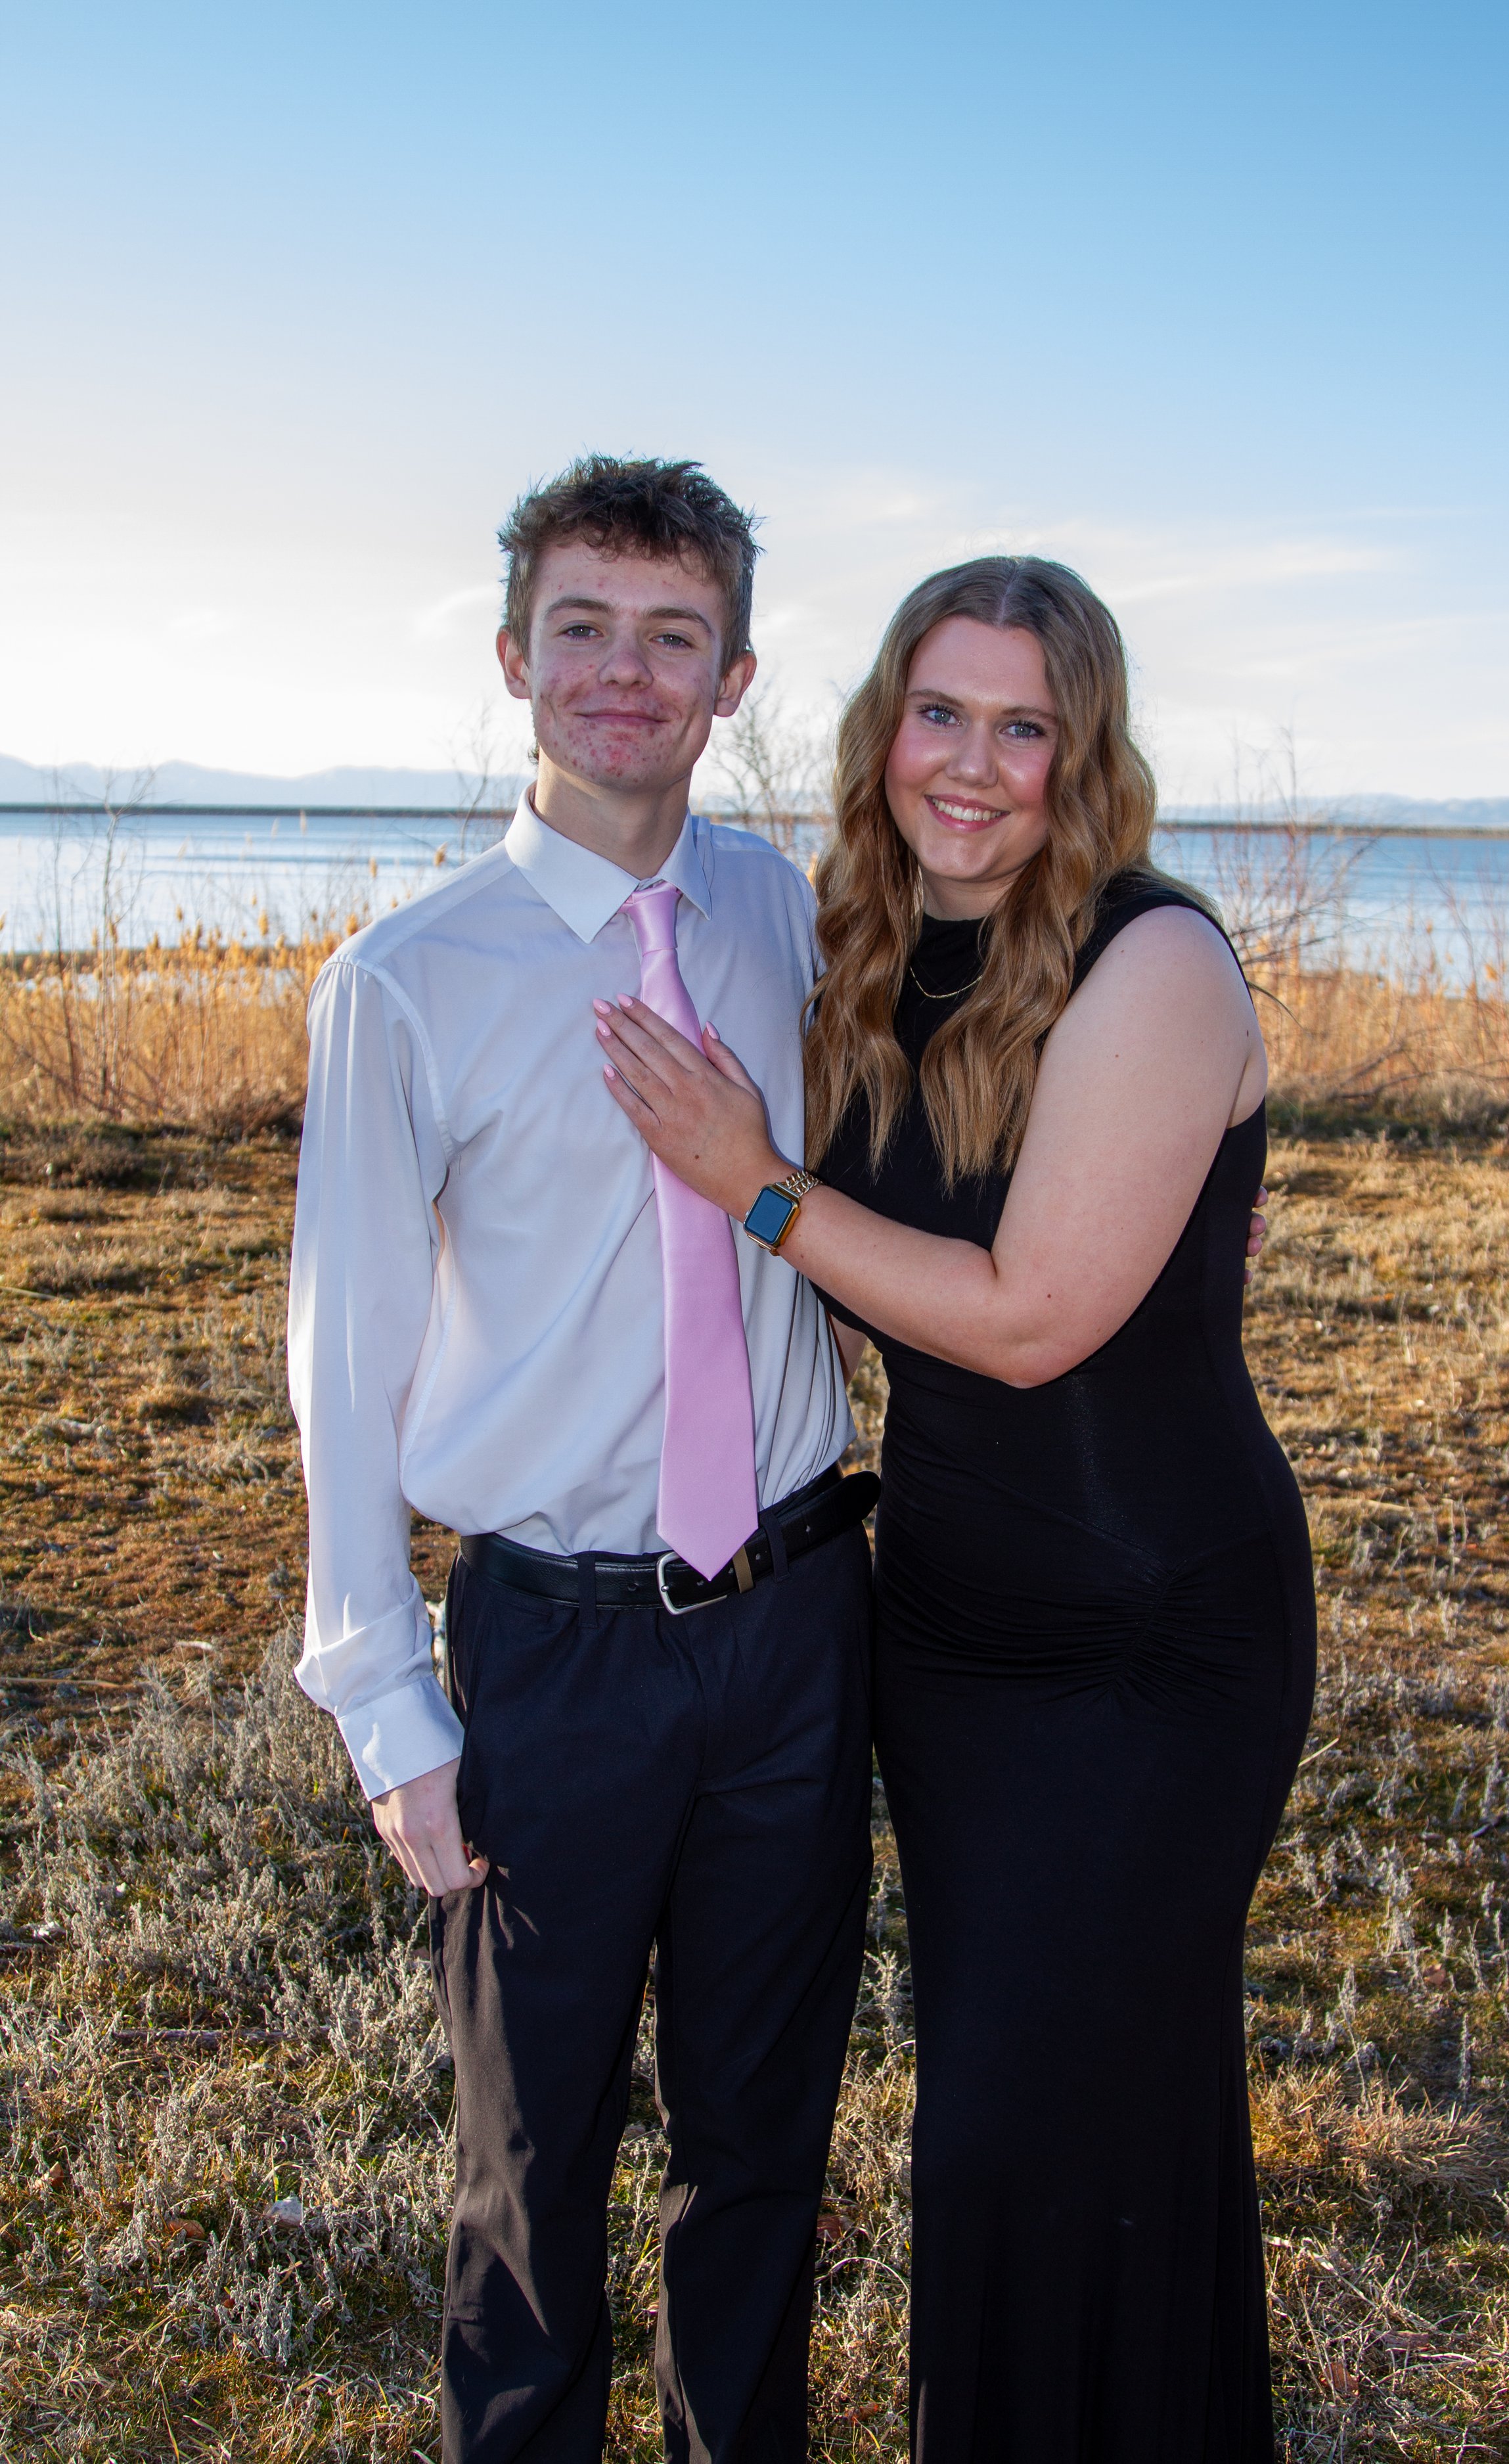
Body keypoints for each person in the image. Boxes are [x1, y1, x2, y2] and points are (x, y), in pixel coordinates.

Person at [594, 553, 1317, 2462]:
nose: (975, 763)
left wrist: (752, 1182)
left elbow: (1025, 1323)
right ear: (882, 728)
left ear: (1081, 751)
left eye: (1023, 724)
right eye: (941, 712)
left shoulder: (1151, 961)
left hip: (1155, 1638)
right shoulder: (860, 946)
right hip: (957, 1635)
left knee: (1023, 2107)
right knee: (1069, 2099)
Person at [287, 455, 880, 2463]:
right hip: (557, 1652)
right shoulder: (406, 980)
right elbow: (342, 1357)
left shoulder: (780, 912)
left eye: (671, 636)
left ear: (729, 676)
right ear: (513, 656)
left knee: (760, 2145)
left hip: (797, 1619)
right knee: (530, 2171)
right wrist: (386, 1702)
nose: (623, 674)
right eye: (582, 630)